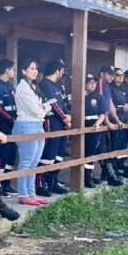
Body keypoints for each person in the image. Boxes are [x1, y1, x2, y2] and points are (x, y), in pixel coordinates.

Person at [12, 59, 50, 207]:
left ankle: (31, 193)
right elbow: (36, 110)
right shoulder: (22, 88)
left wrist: (43, 108)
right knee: (26, 162)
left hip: (38, 125)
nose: (35, 71)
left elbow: (47, 106)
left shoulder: (33, 86)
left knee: (34, 162)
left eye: (36, 68)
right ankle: (23, 194)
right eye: (31, 68)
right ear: (23, 71)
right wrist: (43, 108)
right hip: (27, 125)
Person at [35, 60, 71, 197]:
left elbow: (63, 104)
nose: (63, 73)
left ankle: (53, 181)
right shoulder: (45, 84)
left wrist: (68, 116)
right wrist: (65, 118)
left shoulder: (57, 86)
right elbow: (54, 105)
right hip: (52, 124)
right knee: (47, 155)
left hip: (61, 124)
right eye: (62, 70)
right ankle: (40, 183)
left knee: (59, 154)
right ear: (57, 70)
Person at [0, 59, 18, 196]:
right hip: (1, 126)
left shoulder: (10, 86)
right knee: (0, 155)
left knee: (11, 155)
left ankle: (7, 184)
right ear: (7, 70)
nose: (13, 72)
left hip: (12, 126)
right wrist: (12, 119)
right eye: (13, 69)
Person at [95, 66, 124, 186]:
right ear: (102, 74)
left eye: (113, 74)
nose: (112, 77)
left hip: (105, 122)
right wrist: (108, 122)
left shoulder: (107, 86)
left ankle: (108, 174)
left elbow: (110, 104)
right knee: (99, 149)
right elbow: (102, 107)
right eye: (109, 74)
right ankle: (108, 175)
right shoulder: (100, 84)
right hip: (98, 122)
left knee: (106, 148)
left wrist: (117, 120)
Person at [108, 69, 128, 179]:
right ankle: (112, 170)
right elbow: (109, 107)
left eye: (122, 75)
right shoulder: (110, 88)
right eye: (117, 75)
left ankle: (124, 166)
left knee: (124, 143)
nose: (120, 77)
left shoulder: (124, 88)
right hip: (115, 121)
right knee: (114, 145)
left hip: (126, 120)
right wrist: (121, 110)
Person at [83, 75, 109, 188]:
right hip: (82, 124)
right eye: (89, 82)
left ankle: (89, 178)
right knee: (82, 152)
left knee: (91, 152)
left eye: (94, 82)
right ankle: (86, 176)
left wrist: (98, 122)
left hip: (94, 126)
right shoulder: (80, 96)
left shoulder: (99, 97)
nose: (92, 85)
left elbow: (103, 113)